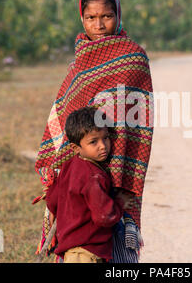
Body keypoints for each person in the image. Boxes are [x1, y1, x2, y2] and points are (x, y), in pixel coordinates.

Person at [33, 0, 154, 263]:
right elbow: (64, 111)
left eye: (107, 16)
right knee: (77, 230)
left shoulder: (133, 58)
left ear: (118, 15)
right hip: (78, 167)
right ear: (82, 18)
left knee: (114, 232)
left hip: (118, 163)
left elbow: (134, 118)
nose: (99, 25)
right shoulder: (78, 63)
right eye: (91, 18)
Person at [45, 107, 133, 263]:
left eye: (105, 138)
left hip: (70, 251)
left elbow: (52, 201)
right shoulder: (93, 176)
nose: (103, 146)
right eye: (93, 141)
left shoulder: (68, 166)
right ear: (76, 147)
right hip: (87, 253)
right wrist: (120, 202)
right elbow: (104, 216)